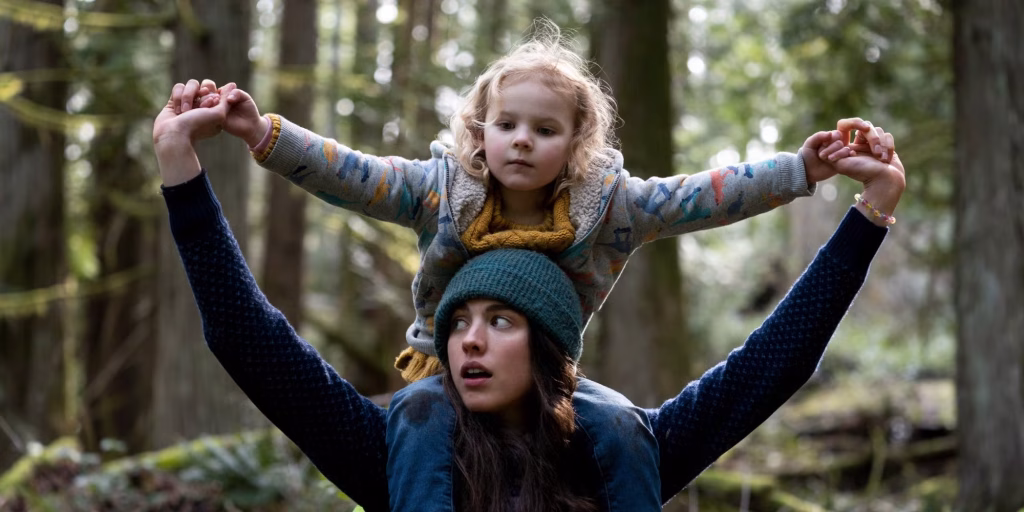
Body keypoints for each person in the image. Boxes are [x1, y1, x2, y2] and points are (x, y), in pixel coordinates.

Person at [173, 21, 894, 507]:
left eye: (501, 321)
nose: (471, 340)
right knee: (423, 403)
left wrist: (863, 207)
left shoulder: (621, 451)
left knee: (613, 419)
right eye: (461, 323)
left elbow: (778, 349)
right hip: (423, 412)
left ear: (548, 341)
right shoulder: (400, 450)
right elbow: (246, 333)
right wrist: (193, 167)